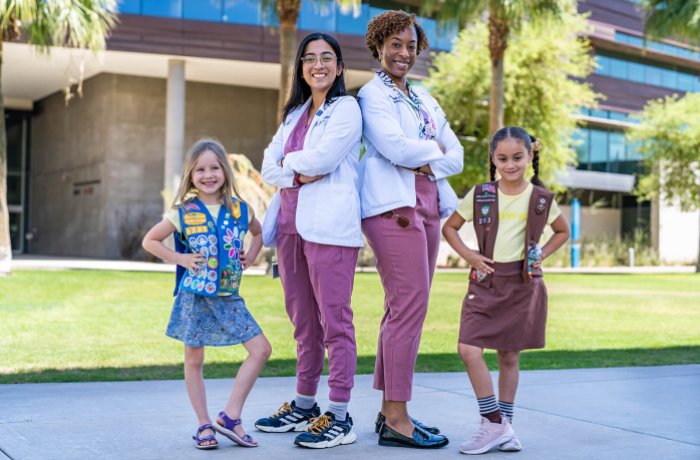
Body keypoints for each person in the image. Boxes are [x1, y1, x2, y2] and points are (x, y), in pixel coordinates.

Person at [359, 10, 463, 449]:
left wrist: (425, 156)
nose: (404, 53)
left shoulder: (423, 99)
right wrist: (428, 150)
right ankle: (398, 417)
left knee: (402, 308)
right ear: (379, 46)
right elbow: (392, 147)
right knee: (409, 307)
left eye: (411, 45)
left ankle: (390, 413)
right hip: (392, 207)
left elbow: (455, 155)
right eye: (395, 44)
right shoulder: (371, 94)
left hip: (429, 205)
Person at [256, 32, 363, 449]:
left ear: (338, 67)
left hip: (330, 230)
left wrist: (293, 166)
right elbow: (269, 166)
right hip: (289, 228)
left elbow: (324, 160)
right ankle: (305, 405)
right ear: (300, 68)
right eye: (309, 58)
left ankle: (338, 414)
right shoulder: (296, 113)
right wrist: (297, 172)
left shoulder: (347, 109)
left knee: (335, 323)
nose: (318, 64)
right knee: (303, 323)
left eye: (327, 58)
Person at [442, 127, 570, 455]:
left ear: (530, 157)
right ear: (493, 159)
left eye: (517, 157)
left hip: (522, 285)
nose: (510, 164)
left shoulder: (540, 198)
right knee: (468, 349)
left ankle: (503, 429)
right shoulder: (482, 194)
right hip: (485, 282)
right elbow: (450, 227)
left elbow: (562, 231)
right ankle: (495, 423)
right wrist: (469, 255)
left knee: (509, 356)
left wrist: (541, 253)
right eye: (502, 158)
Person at [142, 138, 272, 450]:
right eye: (200, 169)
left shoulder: (241, 209)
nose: (208, 174)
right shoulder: (183, 213)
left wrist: (252, 255)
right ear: (190, 175)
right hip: (194, 298)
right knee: (194, 358)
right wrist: (182, 259)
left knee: (261, 350)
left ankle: (230, 415)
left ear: (225, 171)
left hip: (228, 296)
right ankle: (204, 425)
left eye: (215, 167)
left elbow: (259, 233)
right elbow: (151, 241)